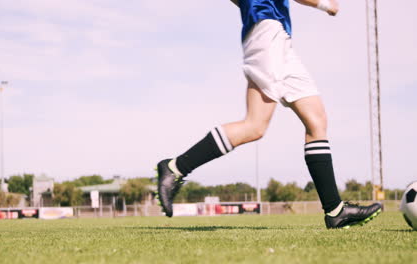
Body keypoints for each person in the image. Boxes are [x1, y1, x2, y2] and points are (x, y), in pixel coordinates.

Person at [155, 0, 382, 229]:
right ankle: (176, 167)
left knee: (316, 121)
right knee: (254, 125)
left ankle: (336, 211)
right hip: (267, 31)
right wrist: (325, 4)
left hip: (276, 35)